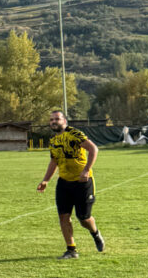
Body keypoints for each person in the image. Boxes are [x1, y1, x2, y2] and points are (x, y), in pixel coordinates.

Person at [36, 109, 105, 260]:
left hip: (82, 182)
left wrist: (86, 170)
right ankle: (71, 250)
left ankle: (95, 233)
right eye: (51, 120)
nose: (54, 122)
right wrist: (46, 180)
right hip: (64, 183)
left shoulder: (74, 134)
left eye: (57, 119)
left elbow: (93, 149)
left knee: (83, 218)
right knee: (63, 217)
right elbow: (54, 161)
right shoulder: (53, 141)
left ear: (64, 121)